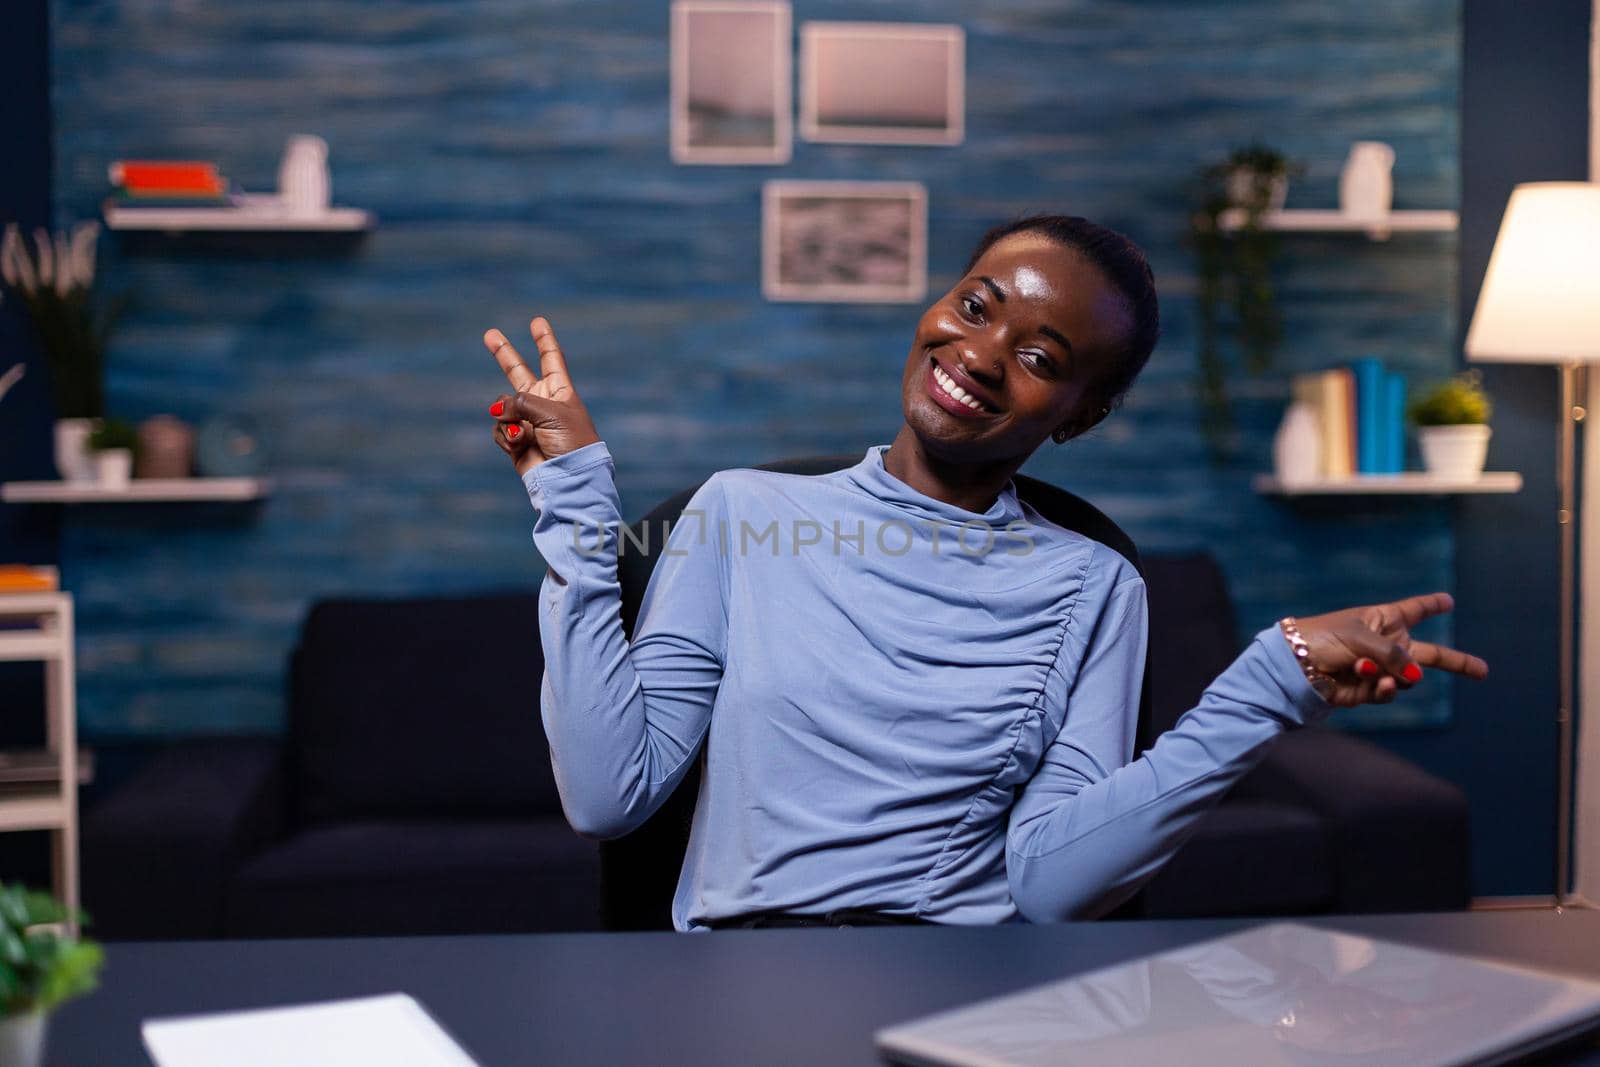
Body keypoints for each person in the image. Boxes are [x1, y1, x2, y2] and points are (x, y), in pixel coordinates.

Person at [481, 215, 1489, 932]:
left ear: (1079, 416)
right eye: (976, 304)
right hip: (745, 982)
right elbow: (609, 795)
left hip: (969, 982)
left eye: (1043, 356)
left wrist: (1266, 684)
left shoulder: (1095, 586)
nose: (981, 353)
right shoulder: (741, 512)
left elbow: (1051, 887)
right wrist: (572, 501)